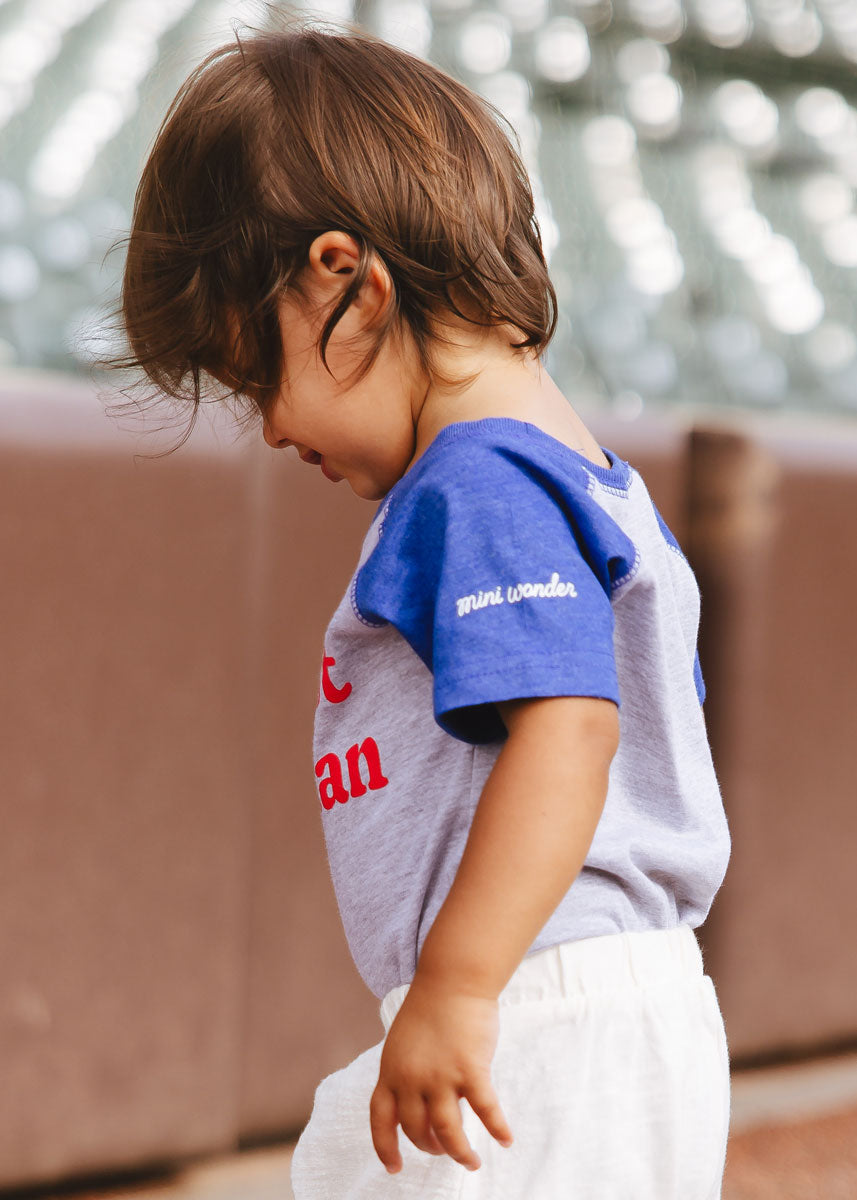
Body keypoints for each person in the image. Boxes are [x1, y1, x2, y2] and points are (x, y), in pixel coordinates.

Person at [106, 19, 732, 1199]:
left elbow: (566, 729)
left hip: (537, 1004)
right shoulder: (570, 472)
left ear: (346, 279)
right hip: (590, 1002)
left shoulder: (478, 480)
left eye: (256, 375)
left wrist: (455, 986)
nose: (272, 429)